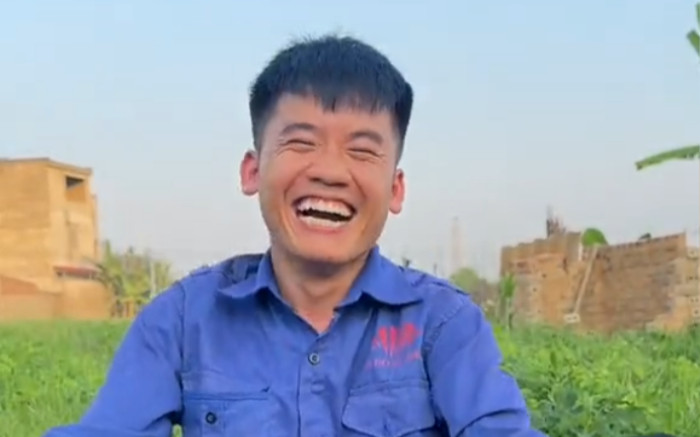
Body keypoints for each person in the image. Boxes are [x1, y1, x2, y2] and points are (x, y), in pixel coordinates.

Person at [45, 34, 546, 437]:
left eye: (362, 150)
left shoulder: (443, 324)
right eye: (301, 142)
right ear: (252, 171)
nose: (329, 171)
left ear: (395, 189)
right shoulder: (182, 321)